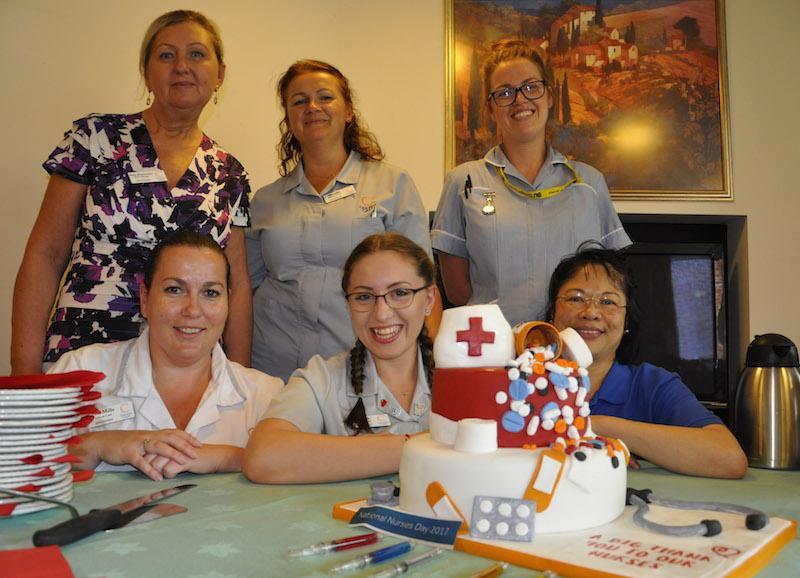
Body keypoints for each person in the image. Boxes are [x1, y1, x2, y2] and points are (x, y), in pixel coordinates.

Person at [11, 10, 253, 375]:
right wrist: (25, 367)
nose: (182, 66)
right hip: (86, 347)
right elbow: (46, 254)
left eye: (197, 54)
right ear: (146, 72)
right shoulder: (95, 138)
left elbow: (236, 284)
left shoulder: (229, 172)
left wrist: (238, 378)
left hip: (186, 363)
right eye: (166, 55)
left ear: (220, 74)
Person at [246, 59, 437, 382]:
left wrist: (430, 370)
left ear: (348, 110)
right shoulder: (265, 201)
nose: (312, 107)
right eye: (299, 101)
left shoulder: (392, 186)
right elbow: (244, 291)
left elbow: (422, 287)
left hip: (362, 368)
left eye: (325, 97)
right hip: (274, 369)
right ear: (288, 119)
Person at [48, 232, 283, 481]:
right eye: (174, 289)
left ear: (228, 302)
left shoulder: (265, 394)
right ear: (145, 299)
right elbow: (14, 463)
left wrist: (231, 458)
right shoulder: (79, 372)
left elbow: (299, 469)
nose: (192, 310)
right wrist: (96, 445)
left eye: (211, 293)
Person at [432, 39, 630, 326]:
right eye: (504, 92)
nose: (520, 100)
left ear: (549, 96)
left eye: (530, 87)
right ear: (490, 109)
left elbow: (609, 281)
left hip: (573, 351)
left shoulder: (589, 183)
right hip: (494, 353)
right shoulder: (463, 181)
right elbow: (458, 292)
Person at [243, 233, 436, 483]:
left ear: (429, 299)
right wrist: (420, 448)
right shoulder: (322, 380)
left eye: (399, 293)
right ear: (348, 303)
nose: (382, 313)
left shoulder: (470, 377)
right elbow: (263, 457)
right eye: (364, 297)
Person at [545, 244, 747, 479]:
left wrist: (595, 426)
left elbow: (729, 458)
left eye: (608, 302)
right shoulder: (517, 378)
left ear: (627, 320)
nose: (591, 312)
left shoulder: (652, 385)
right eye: (576, 298)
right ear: (552, 312)